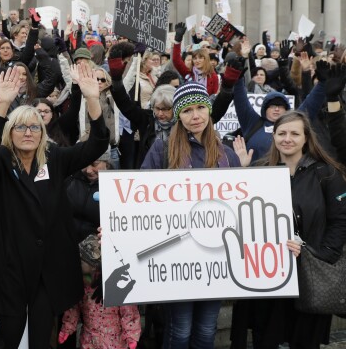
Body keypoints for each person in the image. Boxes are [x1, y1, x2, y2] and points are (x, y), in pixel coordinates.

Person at [0, 63, 109, 348]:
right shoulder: (0, 160)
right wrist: (2, 104)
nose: (28, 132)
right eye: (20, 127)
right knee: (10, 335)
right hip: (9, 268)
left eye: (34, 126)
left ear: (42, 132)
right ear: (10, 132)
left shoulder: (55, 158)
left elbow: (97, 144)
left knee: (40, 337)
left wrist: (92, 100)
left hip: (48, 269)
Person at [230, 111, 346, 349]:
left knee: (305, 341)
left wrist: (318, 254)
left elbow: (340, 220)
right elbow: (239, 216)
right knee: (266, 339)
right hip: (268, 276)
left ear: (306, 138)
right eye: (281, 133)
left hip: (310, 276)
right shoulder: (259, 171)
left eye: (295, 133)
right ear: (273, 137)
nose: (287, 138)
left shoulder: (327, 173)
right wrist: (240, 174)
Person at [141, 83, 242, 348]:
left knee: (207, 329)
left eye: (200, 108)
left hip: (216, 258)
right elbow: (139, 199)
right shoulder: (162, 150)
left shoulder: (227, 154)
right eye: (187, 110)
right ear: (178, 116)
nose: (195, 115)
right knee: (180, 330)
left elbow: (240, 204)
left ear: (209, 112)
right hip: (178, 256)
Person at [58, 235, 141, 349]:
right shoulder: (80, 283)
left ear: (93, 266)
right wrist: (67, 328)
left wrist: (131, 335)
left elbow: (128, 310)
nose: (77, 264)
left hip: (113, 342)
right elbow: (73, 308)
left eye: (81, 261)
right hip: (88, 341)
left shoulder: (113, 285)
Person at [173, 23, 219, 95]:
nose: (197, 60)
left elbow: (215, 96)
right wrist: (177, 41)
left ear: (206, 59)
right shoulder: (189, 73)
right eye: (195, 58)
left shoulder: (213, 76)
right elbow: (176, 60)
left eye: (200, 58)